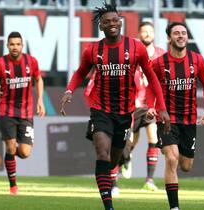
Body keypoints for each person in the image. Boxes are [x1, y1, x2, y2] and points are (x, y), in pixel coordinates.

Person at [60, 2, 170, 210]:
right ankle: (108, 206)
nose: (112, 24)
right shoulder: (93, 50)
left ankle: (117, 168)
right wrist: (69, 90)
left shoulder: (135, 47)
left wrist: (162, 107)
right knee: (102, 153)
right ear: (100, 26)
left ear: (120, 22)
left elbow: (152, 78)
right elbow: (80, 72)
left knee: (113, 160)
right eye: (107, 21)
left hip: (125, 112)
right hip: (101, 109)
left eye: (115, 20)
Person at [147, 22, 204, 210]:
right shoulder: (159, 63)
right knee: (171, 158)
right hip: (166, 119)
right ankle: (174, 207)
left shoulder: (197, 60)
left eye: (184, 33)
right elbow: (152, 85)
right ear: (169, 38)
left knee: (185, 166)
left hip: (189, 120)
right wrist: (151, 107)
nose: (181, 36)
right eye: (176, 33)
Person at [0, 31, 45, 195]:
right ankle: (13, 186)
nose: (15, 47)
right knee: (10, 148)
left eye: (18, 44)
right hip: (6, 111)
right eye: (12, 44)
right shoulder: (0, 64)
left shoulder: (31, 62)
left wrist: (40, 100)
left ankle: (9, 157)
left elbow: (38, 79)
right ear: (7, 46)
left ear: (22, 46)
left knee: (24, 152)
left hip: (26, 111)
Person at [109, 21, 166, 196]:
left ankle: (149, 181)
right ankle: (126, 159)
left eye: (150, 31)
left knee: (153, 137)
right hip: (133, 104)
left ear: (154, 35)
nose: (147, 34)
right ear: (139, 34)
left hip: (151, 105)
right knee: (127, 144)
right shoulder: (133, 52)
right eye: (144, 31)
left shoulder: (161, 54)